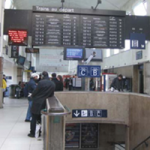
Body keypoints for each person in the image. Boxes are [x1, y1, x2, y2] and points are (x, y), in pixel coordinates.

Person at [28, 71, 55, 138]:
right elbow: (52, 94)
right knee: (42, 118)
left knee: (34, 118)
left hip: (37, 102)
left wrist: (32, 96)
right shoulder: (52, 83)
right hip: (46, 103)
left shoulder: (40, 83)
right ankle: (40, 132)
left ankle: (32, 133)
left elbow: (35, 92)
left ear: (42, 76)